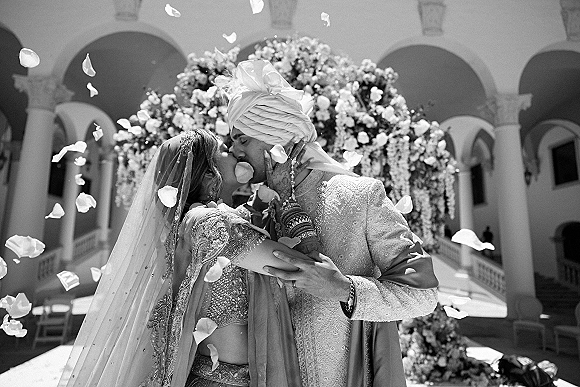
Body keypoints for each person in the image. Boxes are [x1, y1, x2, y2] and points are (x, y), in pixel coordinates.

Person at [224, 59, 440, 387]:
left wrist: (344, 288)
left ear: (274, 136)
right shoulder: (252, 212)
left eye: (241, 139)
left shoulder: (359, 196)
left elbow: (424, 294)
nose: (232, 149)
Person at [58, 130, 311, 387]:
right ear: (208, 172)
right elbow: (295, 266)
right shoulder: (207, 223)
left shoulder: (203, 219)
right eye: (224, 148)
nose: (234, 150)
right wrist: (287, 198)